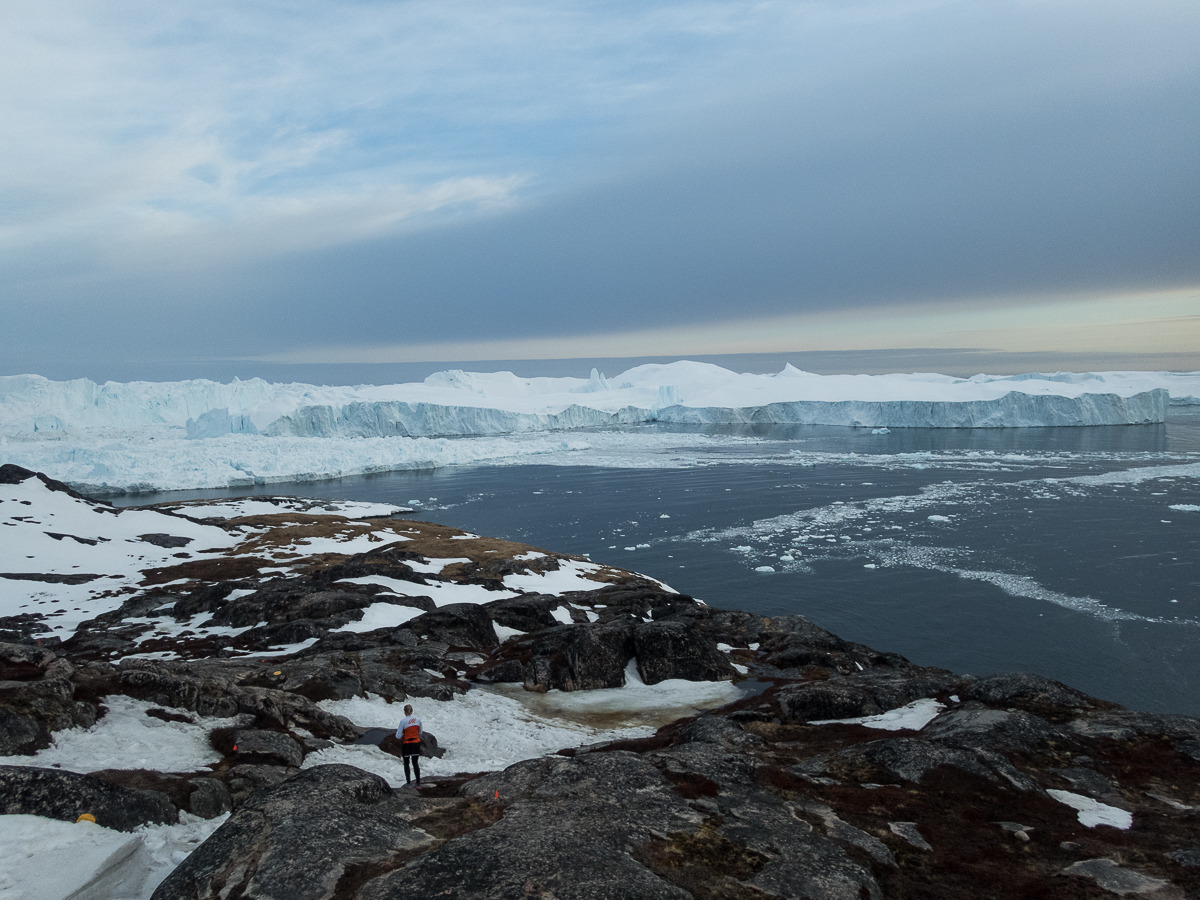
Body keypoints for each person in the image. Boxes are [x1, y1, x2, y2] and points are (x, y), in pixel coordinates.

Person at [395, 703, 424, 788]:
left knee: (406, 763)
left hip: (407, 744)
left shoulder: (403, 721)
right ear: (412, 711)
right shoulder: (418, 720)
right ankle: (418, 783)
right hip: (416, 743)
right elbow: (420, 732)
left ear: (404, 712)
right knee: (415, 763)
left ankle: (408, 783)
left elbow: (398, 735)